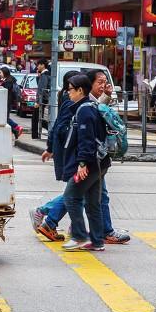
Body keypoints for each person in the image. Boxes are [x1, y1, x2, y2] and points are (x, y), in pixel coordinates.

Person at [32, 70, 130, 245]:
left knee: (85, 194)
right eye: (99, 82)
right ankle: (95, 231)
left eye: (105, 82)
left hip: (88, 158)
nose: (103, 85)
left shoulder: (88, 104)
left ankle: (72, 227)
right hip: (83, 159)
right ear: (86, 87)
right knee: (82, 194)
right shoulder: (76, 104)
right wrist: (60, 151)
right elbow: (62, 127)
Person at [61, 74, 111, 251]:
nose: (68, 93)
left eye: (70, 90)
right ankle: (97, 241)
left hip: (91, 163)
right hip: (99, 162)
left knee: (71, 197)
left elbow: (86, 139)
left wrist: (82, 163)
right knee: (92, 203)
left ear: (80, 90)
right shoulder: (90, 107)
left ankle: (80, 236)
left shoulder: (84, 110)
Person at [31, 70, 80, 242]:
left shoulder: (72, 99)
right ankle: (47, 216)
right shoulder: (70, 100)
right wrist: (53, 147)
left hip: (70, 151)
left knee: (80, 191)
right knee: (77, 191)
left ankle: (72, 227)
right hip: (71, 152)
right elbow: (60, 126)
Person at [0, 67, 24, 139]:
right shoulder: (9, 79)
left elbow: (5, 90)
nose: (0, 73)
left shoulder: (8, 81)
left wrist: (1, 85)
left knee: (4, 118)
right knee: (5, 118)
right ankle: (15, 131)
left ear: (5, 73)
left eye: (1, 72)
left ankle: (16, 127)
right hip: (7, 101)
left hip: (7, 102)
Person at [33, 59, 50, 139]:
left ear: (43, 65)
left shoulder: (45, 75)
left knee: (36, 118)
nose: (37, 66)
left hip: (42, 99)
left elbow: (41, 89)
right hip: (43, 99)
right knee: (39, 118)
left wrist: (38, 101)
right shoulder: (43, 74)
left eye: (38, 65)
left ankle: (36, 136)